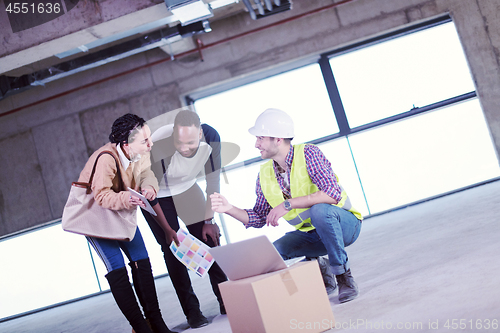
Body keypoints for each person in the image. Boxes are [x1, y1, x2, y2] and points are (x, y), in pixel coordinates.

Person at [211, 108, 363, 303]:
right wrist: (229, 208)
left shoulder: (308, 154)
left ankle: (343, 277)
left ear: (278, 139)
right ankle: (319, 267)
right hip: (313, 234)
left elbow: (332, 194)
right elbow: (258, 217)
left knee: (320, 211)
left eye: (260, 138)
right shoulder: (264, 174)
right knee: (274, 252)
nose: (256, 144)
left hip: (345, 226)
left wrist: (288, 204)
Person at [79, 113, 179, 333]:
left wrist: (150, 187)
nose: (150, 144)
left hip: (122, 212)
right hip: (96, 220)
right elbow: (102, 196)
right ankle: (140, 328)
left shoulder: (139, 154)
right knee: (117, 269)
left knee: (142, 261)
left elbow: (146, 174)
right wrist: (128, 198)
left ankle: (157, 323)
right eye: (144, 141)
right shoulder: (106, 158)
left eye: (149, 138)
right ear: (126, 143)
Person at [141, 110, 228, 328]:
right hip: (156, 194)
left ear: (199, 134)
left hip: (186, 187)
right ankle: (192, 312)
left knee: (210, 239)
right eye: (179, 143)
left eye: (190, 142)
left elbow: (213, 180)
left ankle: (227, 299)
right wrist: (167, 229)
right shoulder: (158, 145)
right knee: (173, 247)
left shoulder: (211, 138)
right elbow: (150, 195)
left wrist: (209, 221)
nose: (184, 148)